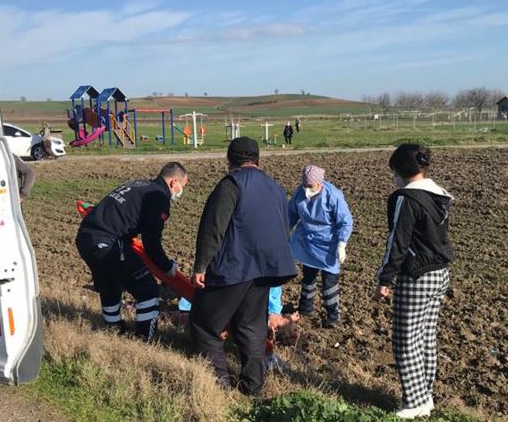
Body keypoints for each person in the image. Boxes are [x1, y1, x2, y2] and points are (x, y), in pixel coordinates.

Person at [190, 137, 297, 395]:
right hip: (265, 270)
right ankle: (252, 389)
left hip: (235, 267)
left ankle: (219, 385)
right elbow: (285, 228)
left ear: (230, 160)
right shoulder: (276, 188)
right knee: (250, 328)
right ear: (257, 160)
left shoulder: (231, 184)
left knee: (204, 325)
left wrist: (201, 265)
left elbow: (213, 228)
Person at [375, 144, 454, 419]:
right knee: (426, 338)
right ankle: (425, 397)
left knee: (405, 340)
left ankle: (413, 402)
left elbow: (397, 240)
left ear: (400, 171)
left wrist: (385, 277)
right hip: (440, 273)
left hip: (416, 276)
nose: (392, 178)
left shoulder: (405, 199)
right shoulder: (439, 196)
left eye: (393, 171)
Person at [76, 162, 188, 341]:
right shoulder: (158, 197)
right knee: (148, 289)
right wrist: (166, 266)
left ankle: (114, 330)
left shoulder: (137, 184)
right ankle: (144, 339)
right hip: (108, 242)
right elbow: (151, 241)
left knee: (110, 285)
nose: (181, 191)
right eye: (183, 185)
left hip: (86, 237)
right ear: (174, 182)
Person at [289, 165, 353, 328]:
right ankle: (305, 308)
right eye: (305, 186)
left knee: (329, 282)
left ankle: (333, 315)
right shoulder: (299, 193)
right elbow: (290, 214)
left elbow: (345, 221)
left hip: (329, 244)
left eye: (310, 186)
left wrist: (341, 243)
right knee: (308, 277)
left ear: (319, 184)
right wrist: (282, 231)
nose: (307, 189)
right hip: (308, 241)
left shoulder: (333, 195)